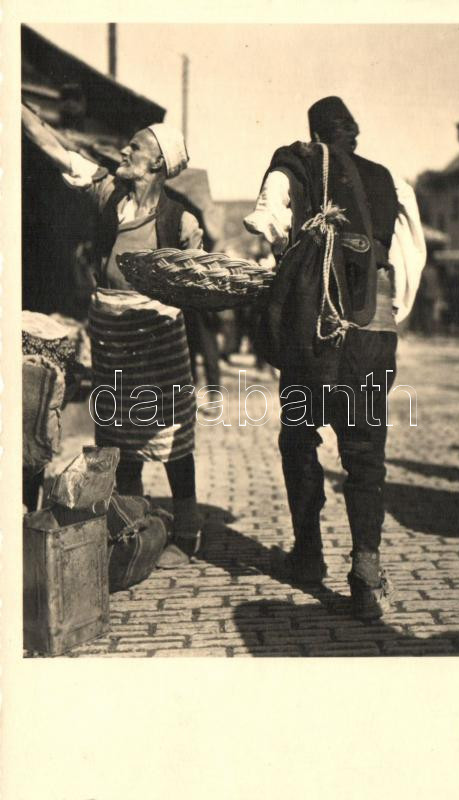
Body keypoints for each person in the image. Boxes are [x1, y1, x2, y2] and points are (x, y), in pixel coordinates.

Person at [244, 96, 426, 620]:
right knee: (365, 454)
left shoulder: (298, 162)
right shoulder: (392, 182)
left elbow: (267, 218)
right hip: (372, 333)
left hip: (315, 334)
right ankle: (366, 578)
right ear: (354, 134)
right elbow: (410, 266)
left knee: (298, 437)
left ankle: (308, 554)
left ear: (316, 133)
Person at [22, 104, 202, 568]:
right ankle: (130, 527)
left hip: (158, 337)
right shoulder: (107, 193)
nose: (124, 150)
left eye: (135, 146)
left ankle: (188, 531)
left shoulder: (180, 222)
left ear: (157, 162)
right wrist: (15, 104)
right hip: (112, 333)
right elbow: (56, 149)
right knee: (119, 436)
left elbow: (195, 284)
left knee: (169, 439)